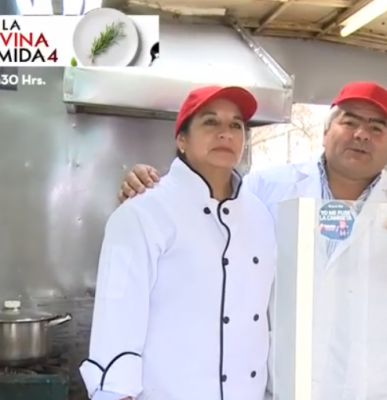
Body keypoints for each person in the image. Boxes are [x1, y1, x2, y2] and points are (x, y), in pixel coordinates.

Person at [113, 81, 387, 400]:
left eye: (376, 127)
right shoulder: (267, 189)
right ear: (325, 131)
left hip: (373, 390)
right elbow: (206, 207)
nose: (361, 134)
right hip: (285, 386)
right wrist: (153, 184)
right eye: (349, 121)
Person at [80, 86, 276, 400]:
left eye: (235, 125)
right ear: (181, 139)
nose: (225, 133)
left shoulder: (260, 216)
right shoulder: (144, 211)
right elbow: (116, 320)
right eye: (210, 123)